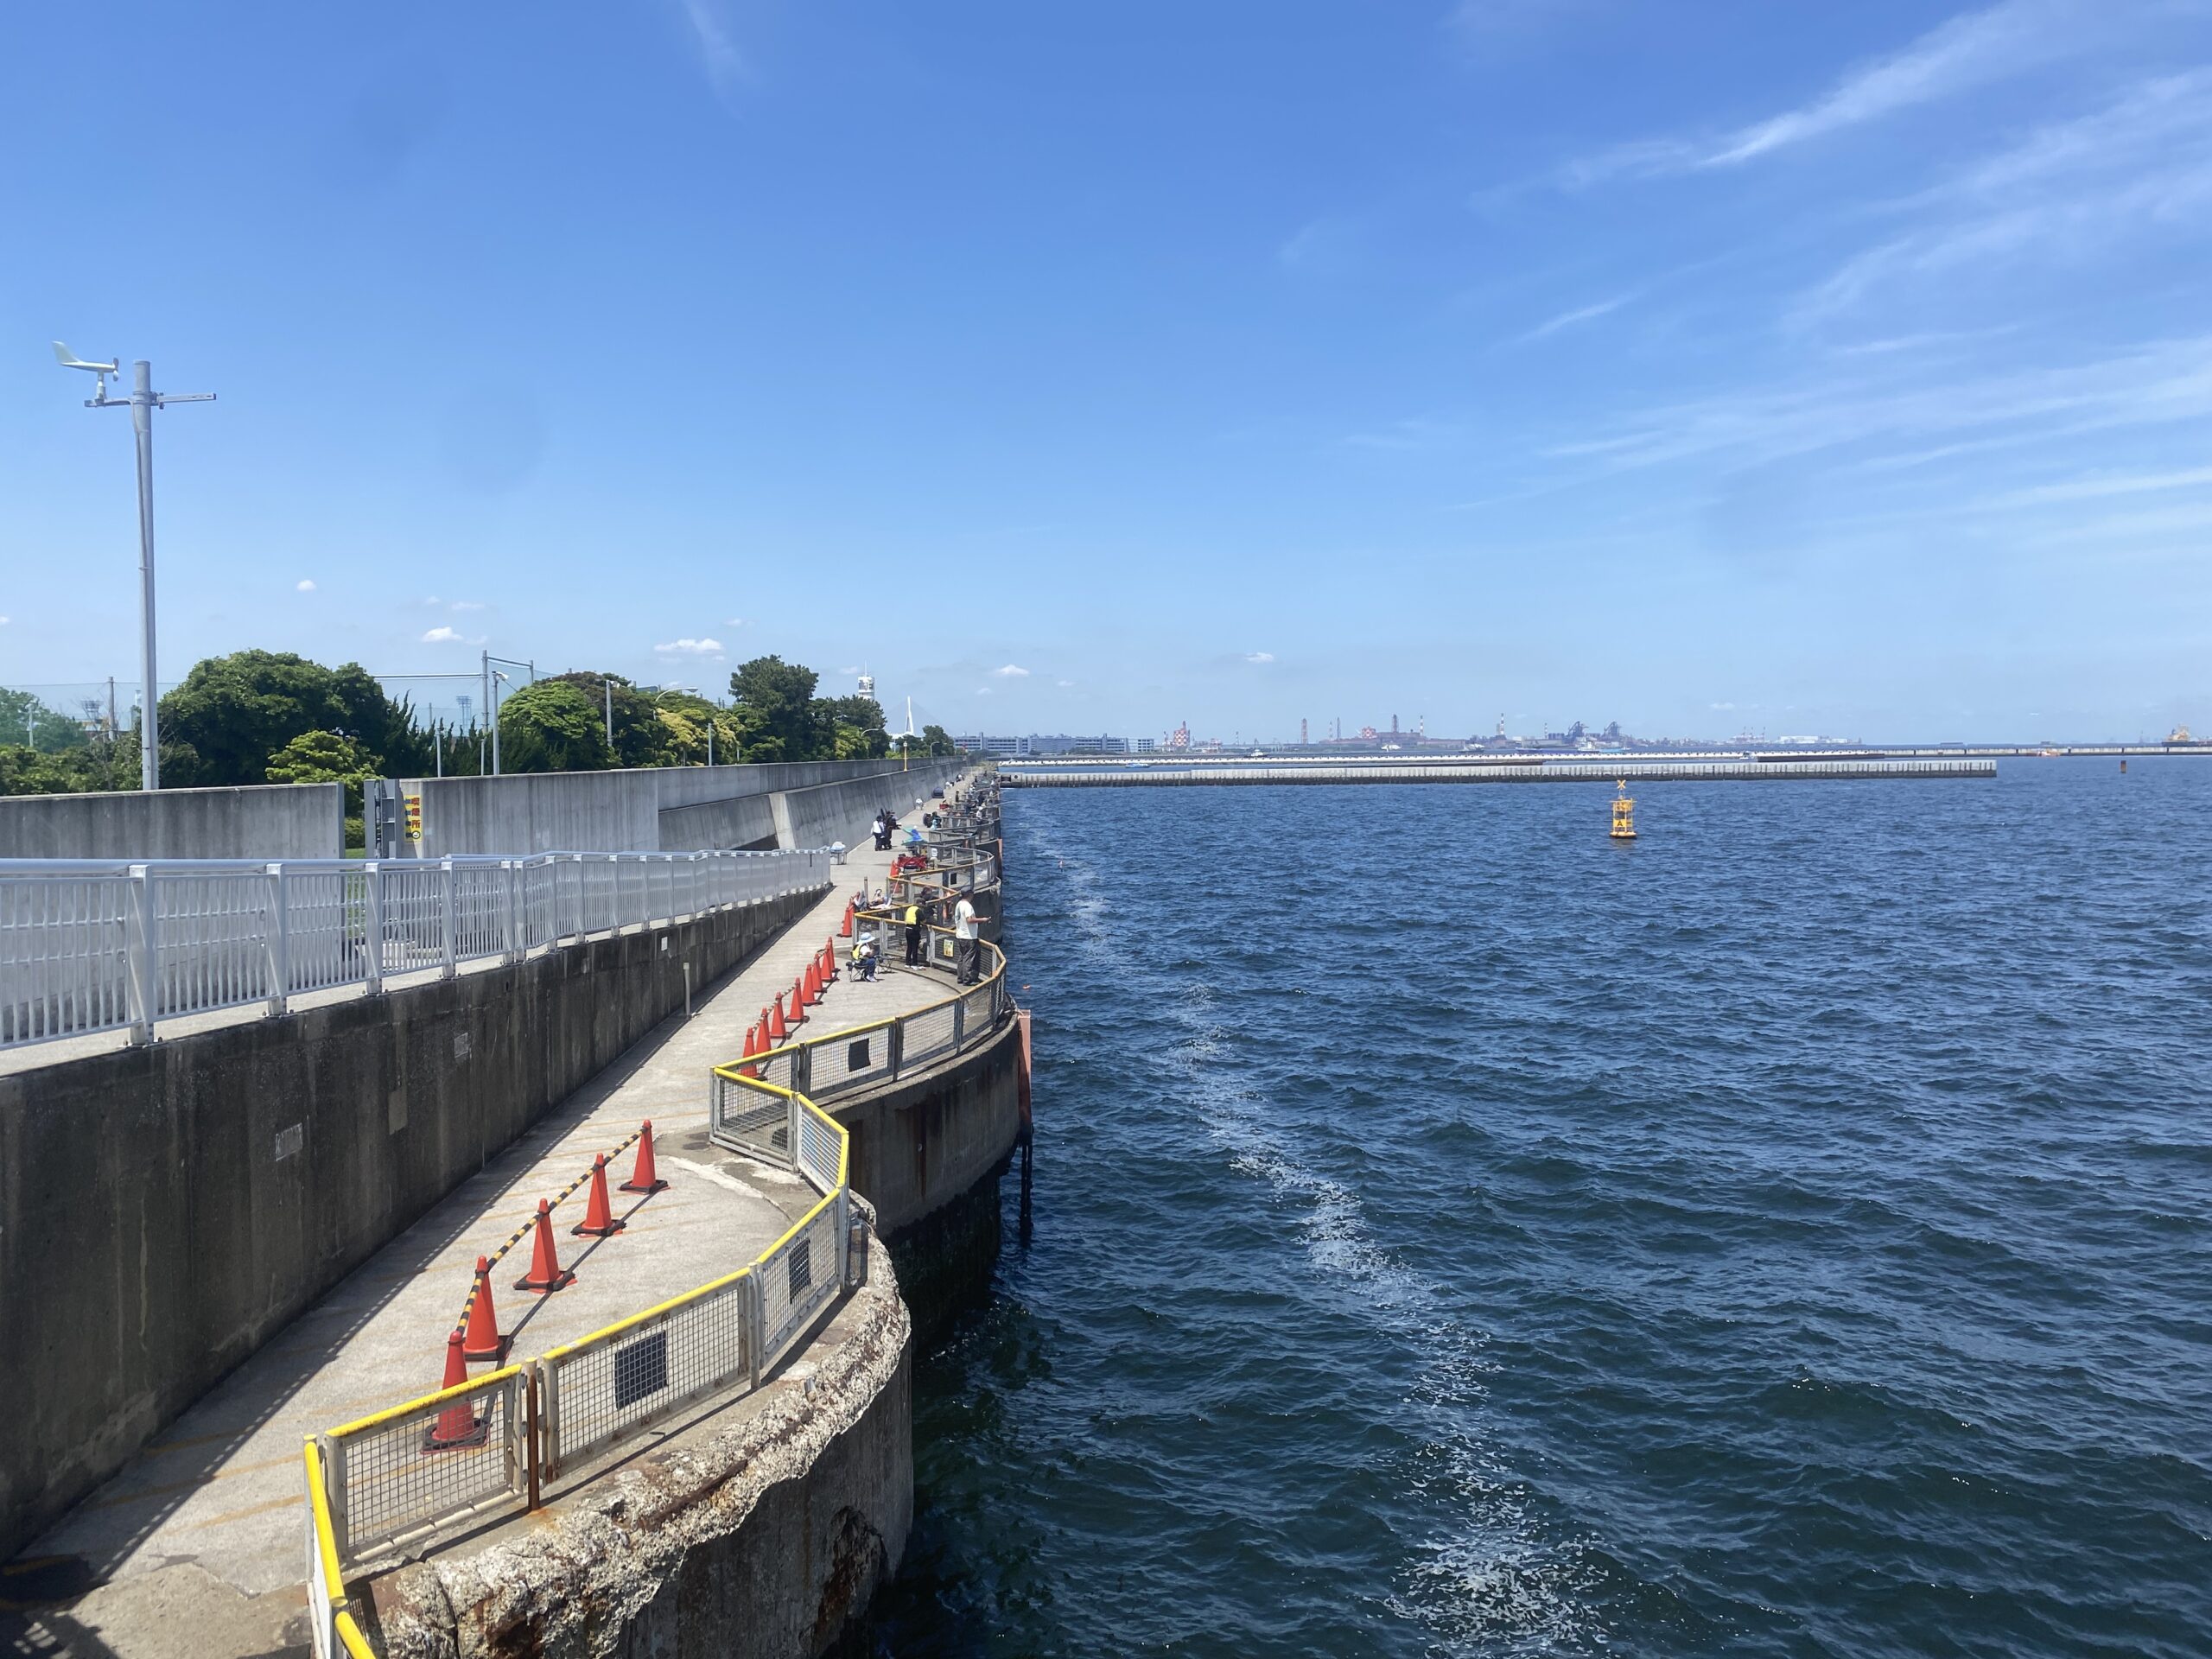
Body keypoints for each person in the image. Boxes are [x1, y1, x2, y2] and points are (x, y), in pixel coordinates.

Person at [952, 891, 982, 983]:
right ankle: (967, 979)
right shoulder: (968, 906)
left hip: (960, 935)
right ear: (970, 895)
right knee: (968, 958)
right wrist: (983, 919)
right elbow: (970, 919)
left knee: (962, 957)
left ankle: (960, 978)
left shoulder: (959, 904)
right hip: (969, 937)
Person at [903, 897, 925, 967]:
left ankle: (907, 963)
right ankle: (914, 963)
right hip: (914, 930)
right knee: (915, 947)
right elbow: (924, 920)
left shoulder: (909, 909)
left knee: (909, 947)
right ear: (920, 904)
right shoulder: (918, 910)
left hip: (907, 929)